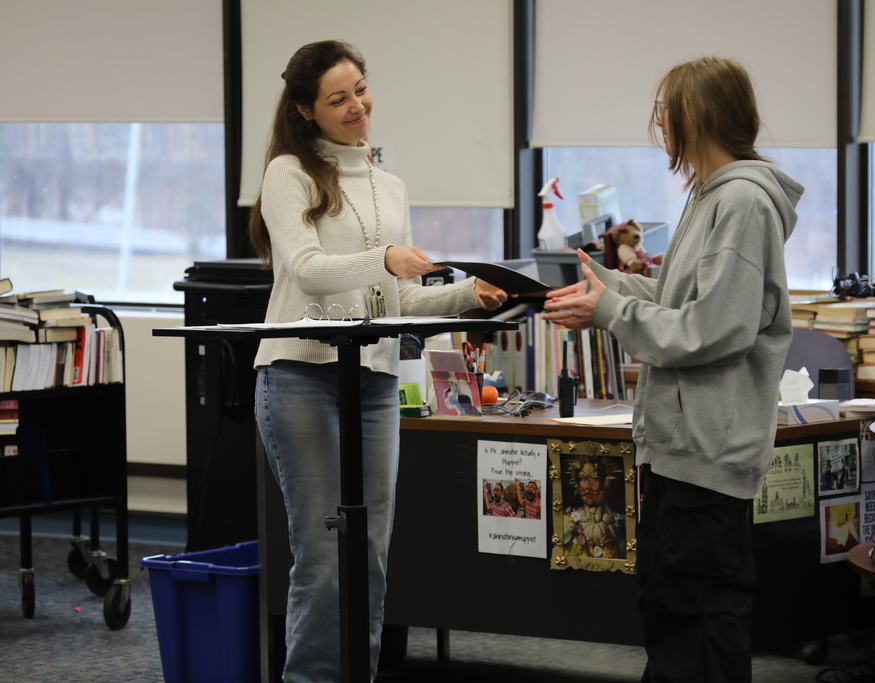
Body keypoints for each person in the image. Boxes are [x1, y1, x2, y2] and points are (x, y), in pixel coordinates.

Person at [249, 40, 507, 682]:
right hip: (300, 374)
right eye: (338, 99)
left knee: (369, 553)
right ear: (307, 110)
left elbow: (400, 299)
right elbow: (306, 272)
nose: (358, 105)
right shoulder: (289, 172)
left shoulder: (388, 185)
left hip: (374, 380)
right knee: (325, 553)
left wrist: (470, 294)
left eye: (361, 89)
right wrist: (386, 259)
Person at [542, 56, 802, 682]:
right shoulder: (708, 195)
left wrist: (611, 313)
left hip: (707, 454)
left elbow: (715, 329)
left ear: (698, 116)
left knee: (698, 627)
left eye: (666, 113)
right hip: (678, 448)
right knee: (670, 613)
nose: (660, 126)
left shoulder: (741, 203)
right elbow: (679, 302)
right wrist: (609, 287)